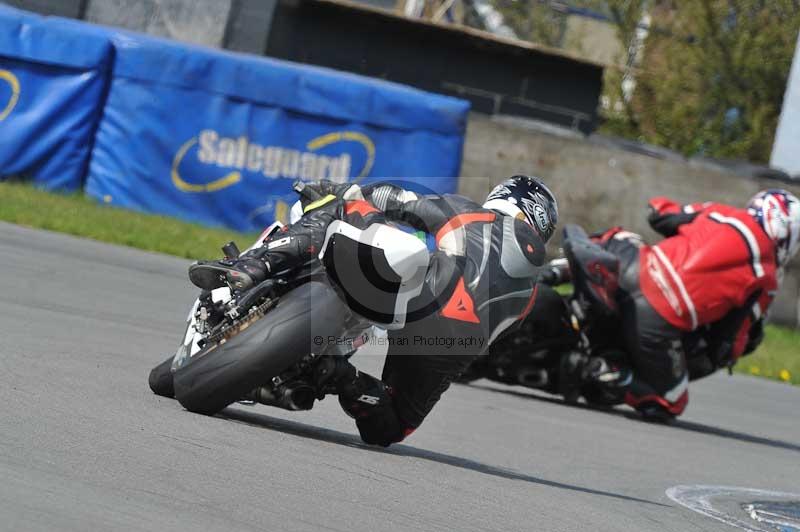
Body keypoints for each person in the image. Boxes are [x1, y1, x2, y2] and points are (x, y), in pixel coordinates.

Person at [188, 176, 558, 446]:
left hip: (424, 293)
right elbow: (491, 345)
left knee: (340, 203)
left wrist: (354, 192)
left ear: (503, 197)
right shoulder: (529, 291)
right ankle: (339, 375)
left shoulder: (471, 213)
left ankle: (256, 264)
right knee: (390, 428)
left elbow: (395, 197)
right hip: (450, 344)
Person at [571, 189, 800, 421]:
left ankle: (559, 270)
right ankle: (609, 372)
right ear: (788, 233)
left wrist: (686, 231)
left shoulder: (719, 212)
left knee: (617, 238)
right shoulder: (767, 277)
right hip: (657, 316)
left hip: (634, 266)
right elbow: (728, 341)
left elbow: (660, 214)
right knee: (672, 400)